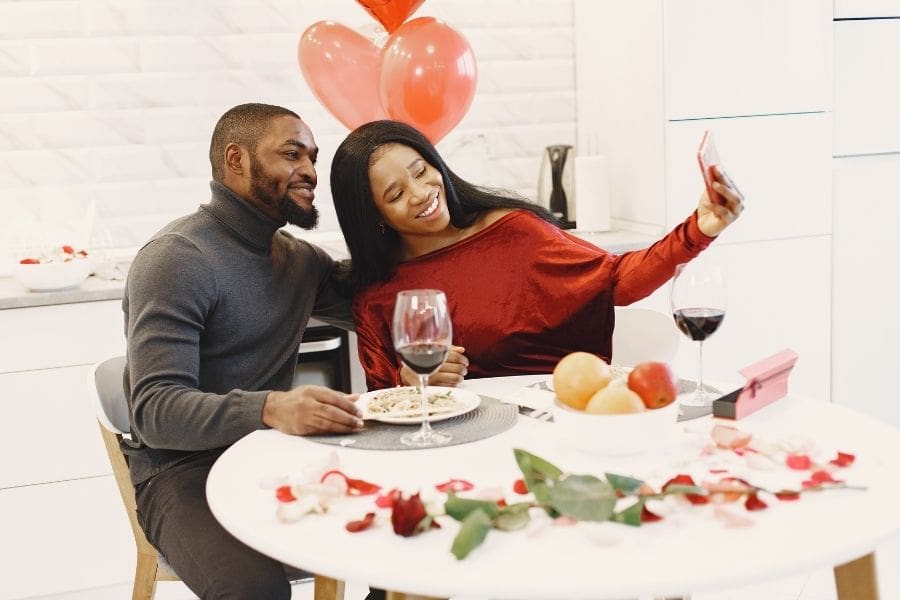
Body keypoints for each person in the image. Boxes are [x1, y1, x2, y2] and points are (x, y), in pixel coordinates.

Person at [122, 103, 366, 599]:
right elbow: (155, 411)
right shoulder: (177, 257)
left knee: (412, 535)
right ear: (237, 159)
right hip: (180, 471)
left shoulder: (300, 261)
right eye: (292, 154)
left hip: (270, 454)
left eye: (313, 158)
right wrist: (272, 407)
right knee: (255, 592)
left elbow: (380, 308)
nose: (310, 171)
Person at [329, 120, 744, 391]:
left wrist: (700, 228)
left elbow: (618, 281)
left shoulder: (511, 233)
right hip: (455, 445)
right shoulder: (378, 295)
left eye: (421, 171)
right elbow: (380, 407)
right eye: (396, 194)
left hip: (552, 420)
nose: (421, 193)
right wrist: (411, 382)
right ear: (374, 216)